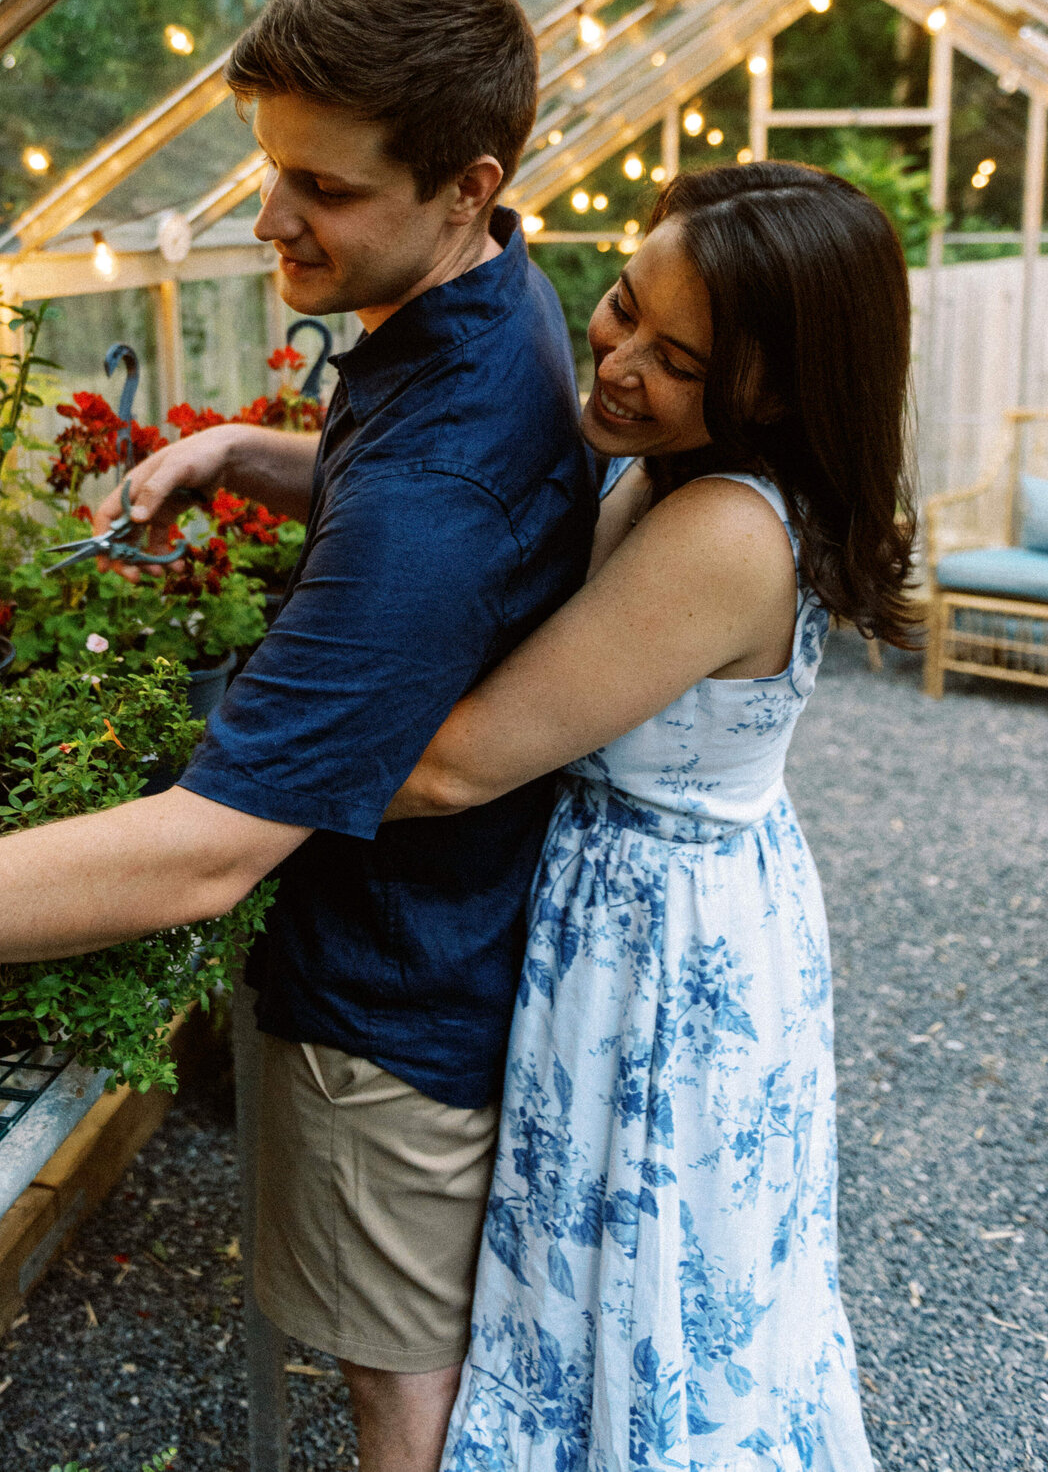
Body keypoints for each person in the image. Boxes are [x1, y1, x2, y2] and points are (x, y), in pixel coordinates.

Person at [0, 0, 595, 1472]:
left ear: (467, 181)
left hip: (389, 1007)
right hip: (434, 948)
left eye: (322, 188)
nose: (270, 222)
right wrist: (254, 451)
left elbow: (201, 852)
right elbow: (439, 501)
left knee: (405, 1394)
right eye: (269, 171)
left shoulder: (432, 498)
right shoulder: (492, 292)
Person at [385, 160, 917, 1469]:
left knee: (645, 1278)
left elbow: (456, 765)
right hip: (685, 907)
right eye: (621, 304)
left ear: (775, 389)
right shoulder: (686, 463)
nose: (619, 361)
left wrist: (227, 777)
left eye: (677, 357)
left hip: (665, 955)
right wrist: (256, 459)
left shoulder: (728, 530)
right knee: (665, 1278)